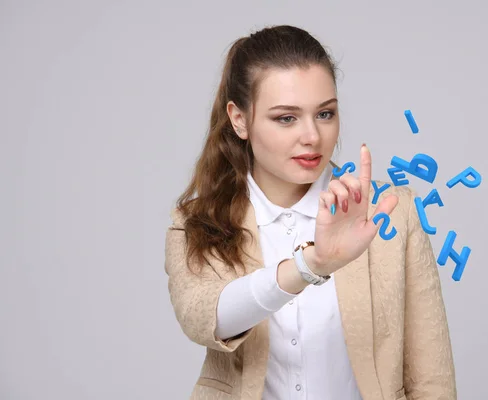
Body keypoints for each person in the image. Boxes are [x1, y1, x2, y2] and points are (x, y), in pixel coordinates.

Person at [164, 25, 456, 400]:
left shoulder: (392, 213)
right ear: (239, 119)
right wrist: (311, 265)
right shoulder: (196, 222)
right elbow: (204, 317)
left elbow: (432, 377)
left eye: (324, 114)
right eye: (286, 118)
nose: (312, 137)